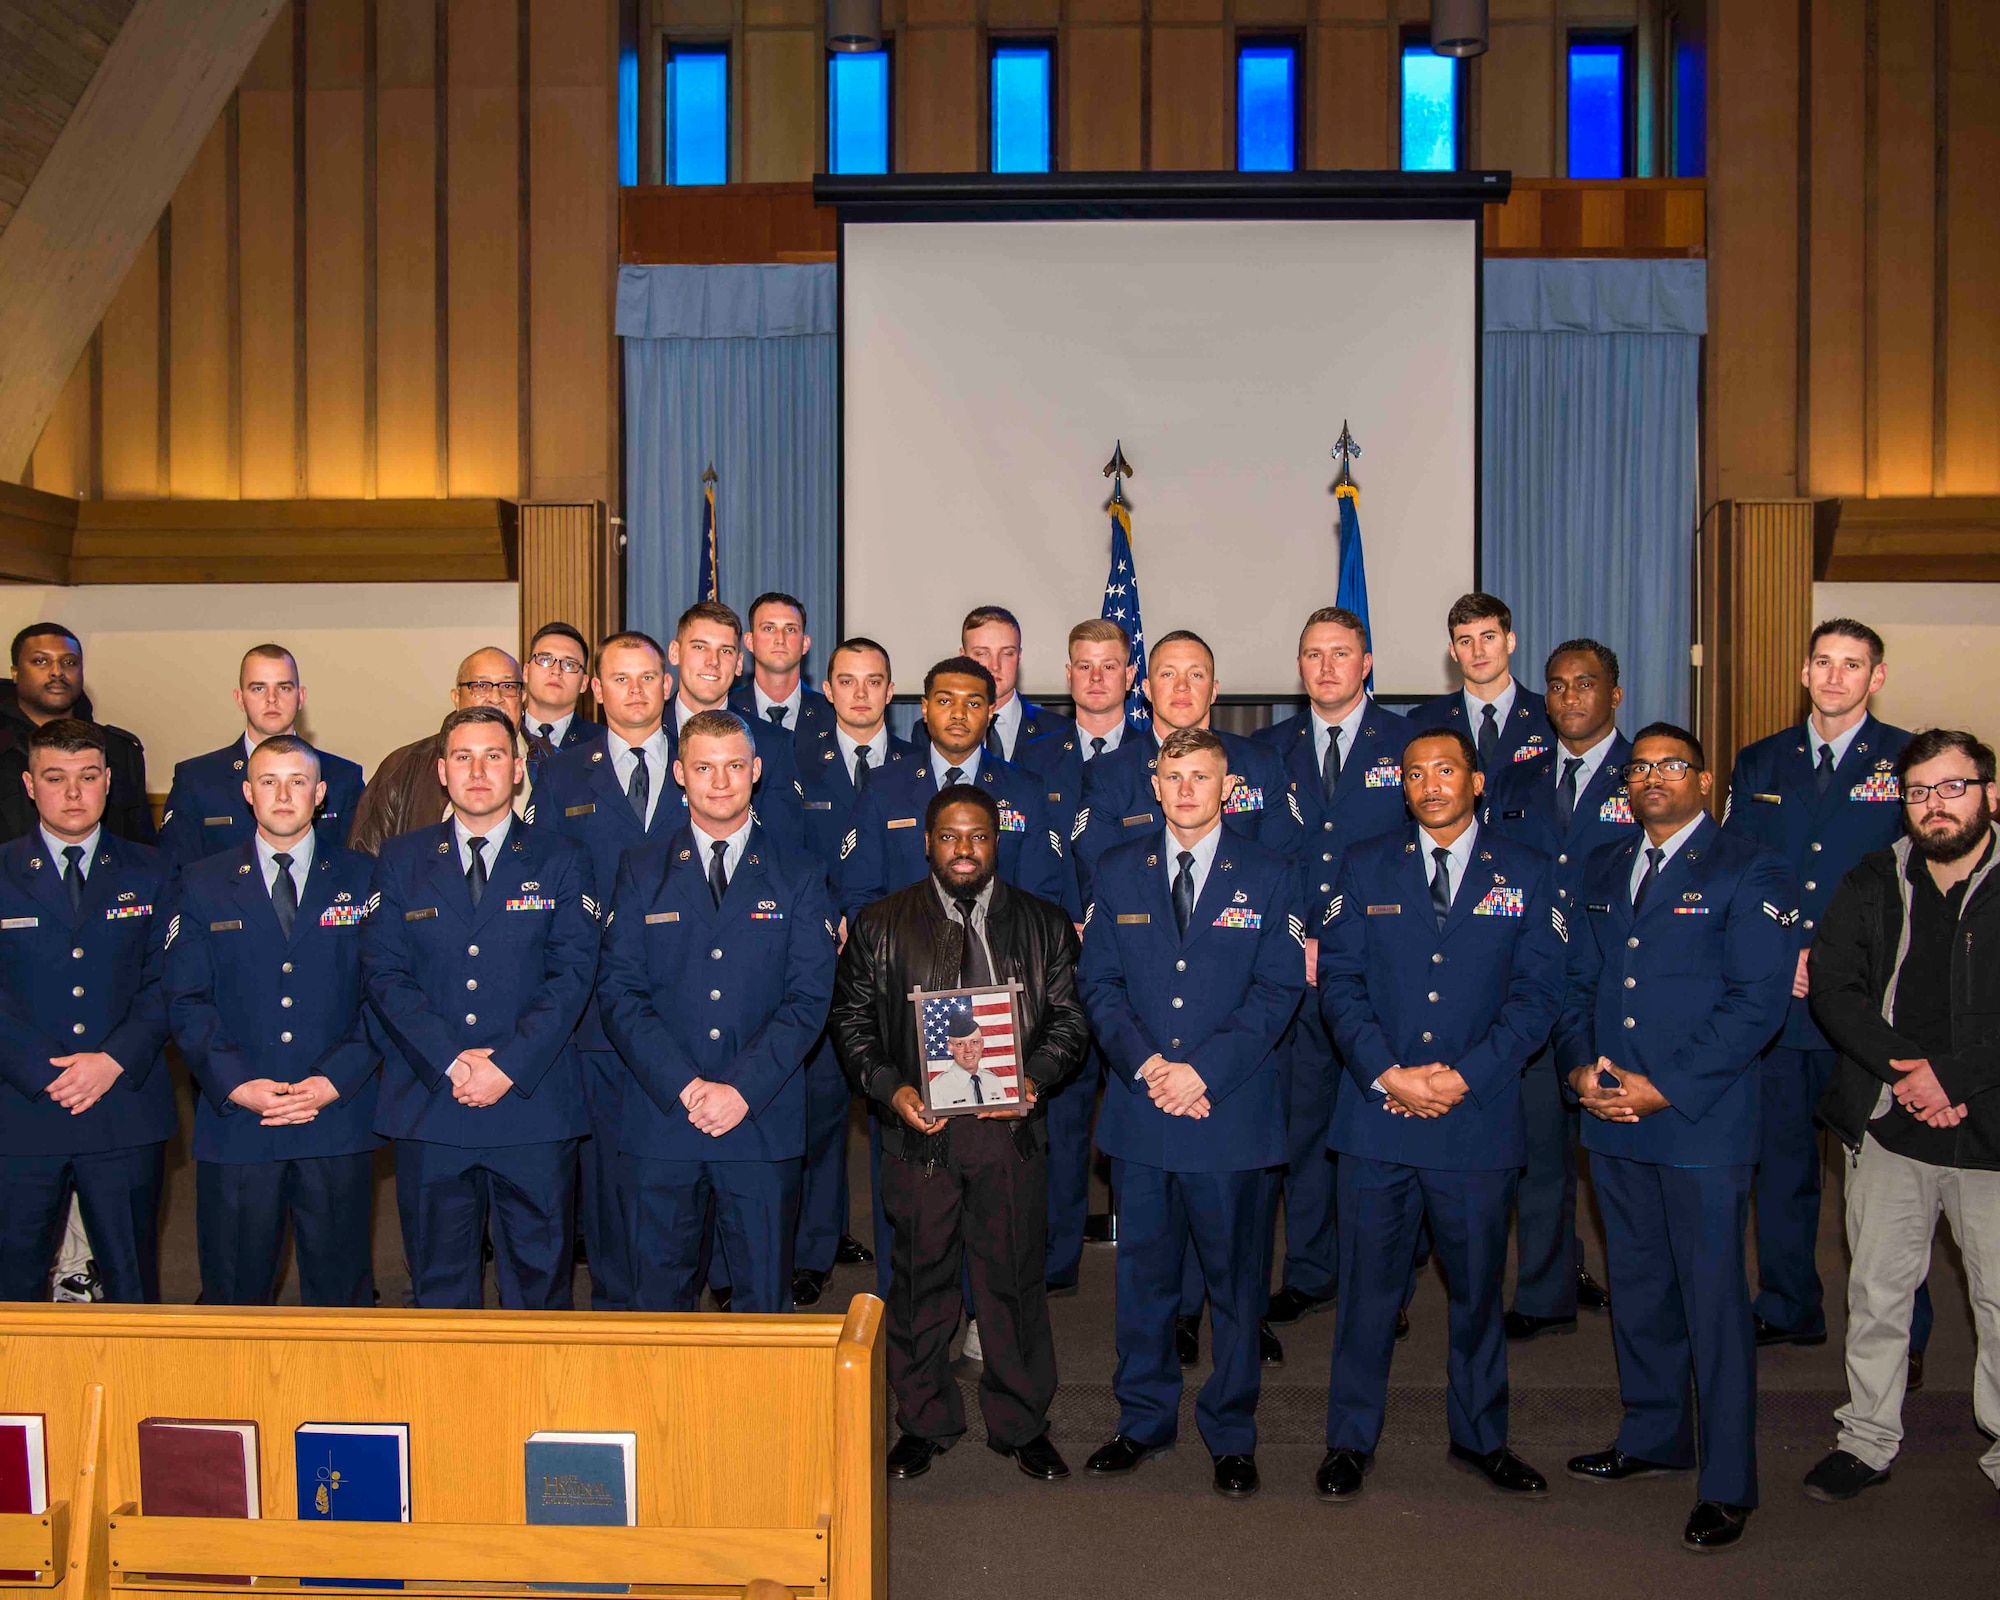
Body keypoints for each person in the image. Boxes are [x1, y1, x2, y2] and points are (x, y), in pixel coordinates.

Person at [1558, 722, 1797, 1552]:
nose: (1652, 777)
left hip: (1699, 1121)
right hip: (1613, 1120)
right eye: (1640, 767)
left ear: (1705, 781)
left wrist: (1669, 1088)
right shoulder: (1601, 866)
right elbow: (1578, 983)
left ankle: (1728, 1481)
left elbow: (1756, 1003)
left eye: (1671, 765)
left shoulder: (1750, 867)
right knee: (1640, 1287)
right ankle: (1655, 1434)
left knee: (1714, 1303)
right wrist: (1581, 1070)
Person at [1314, 728, 1564, 1501]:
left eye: (1446, 769)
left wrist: (1465, 1076)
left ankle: (1482, 1436)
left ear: (1477, 781)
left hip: (1475, 1118)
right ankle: (1349, 1440)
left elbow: (1538, 997)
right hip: (1377, 1116)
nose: (1430, 783)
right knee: (1367, 1295)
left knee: (1478, 1290)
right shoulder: (1363, 868)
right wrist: (1388, 1074)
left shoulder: (1525, 872)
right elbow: (1341, 986)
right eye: (1415, 772)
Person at [830, 783, 1089, 1483]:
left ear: (998, 840)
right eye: (949, 836)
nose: (964, 850)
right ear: (926, 842)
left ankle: (1021, 1425)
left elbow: (1070, 1021)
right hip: (920, 1136)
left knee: (1012, 1285)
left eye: (977, 836)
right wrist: (891, 1087)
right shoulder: (882, 925)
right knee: (918, 1285)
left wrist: (1034, 1078)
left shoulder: (1043, 922)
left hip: (1010, 1137)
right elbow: (851, 1025)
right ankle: (924, 1422)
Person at [1080, 727, 1305, 1501]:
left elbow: (1279, 992)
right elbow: (1099, 987)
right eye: (1172, 776)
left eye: (1200, 778)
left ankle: (1232, 1435)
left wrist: (1200, 1071)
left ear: (1227, 788)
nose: (1185, 791)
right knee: (1142, 1282)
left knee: (1235, 1287)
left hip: (1228, 1114)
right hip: (1144, 1113)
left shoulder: (1272, 874)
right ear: (1154, 783)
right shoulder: (1117, 870)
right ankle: (1142, 1420)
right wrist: (1149, 1067)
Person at [1800, 728, 2000, 1503]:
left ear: (1988, 792)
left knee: (1995, 1303)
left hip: (1991, 1128)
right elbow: (1834, 990)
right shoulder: (1872, 878)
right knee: (1879, 1294)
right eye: (1918, 792)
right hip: (1889, 1123)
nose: (1933, 806)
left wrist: (1950, 1077)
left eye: (1951, 787)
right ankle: (1867, 1439)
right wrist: (1907, 1074)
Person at [597, 710, 837, 1314]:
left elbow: (807, 1000)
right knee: (658, 1302)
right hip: (663, 1119)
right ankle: (661, 1414)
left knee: (763, 1306)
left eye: (734, 766)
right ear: (679, 773)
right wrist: (686, 1086)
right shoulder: (640, 868)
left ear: (756, 771)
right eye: (704, 767)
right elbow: (620, 992)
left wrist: (739, 1090)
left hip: (760, 1120)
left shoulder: (799, 874)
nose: (721, 781)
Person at [361, 705, 598, 1309]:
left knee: (540, 1286)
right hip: (432, 1101)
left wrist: (507, 1065)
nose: (478, 771)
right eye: (462, 757)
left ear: (518, 769)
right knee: (438, 1286)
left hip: (532, 1103)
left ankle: (537, 1406)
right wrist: (451, 1060)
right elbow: (385, 972)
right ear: (441, 771)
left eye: (494, 755)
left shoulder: (562, 857)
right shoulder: (400, 859)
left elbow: (571, 974)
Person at [1723, 620, 1916, 1356]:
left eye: (1853, 665)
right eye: (1825, 663)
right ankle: (1788, 1304)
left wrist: (1831, 956)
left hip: (1871, 1001)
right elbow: (1742, 871)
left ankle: (1903, 1331)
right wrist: (1781, 950)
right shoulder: (1761, 760)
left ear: (1877, 677)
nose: (1836, 677)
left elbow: (1912, 884)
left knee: (1892, 1180)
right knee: (1783, 1167)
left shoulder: (1906, 759)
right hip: (1782, 999)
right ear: (1804, 672)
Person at [164, 735, 381, 1306]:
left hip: (335, 1118)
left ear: (321, 794)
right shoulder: (201, 882)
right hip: (238, 1121)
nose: (284, 795)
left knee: (342, 1297)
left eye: (298, 781)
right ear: (247, 793)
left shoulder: (366, 879)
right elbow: (186, 999)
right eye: (268, 781)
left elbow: (383, 995)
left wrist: (334, 1081)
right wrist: (237, 1084)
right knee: (233, 1294)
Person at [1250, 609, 1406, 1339]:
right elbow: (1250, 862)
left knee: (1384, 1131)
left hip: (1384, 967)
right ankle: (1311, 1272)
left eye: (1340, 654)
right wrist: (1293, 941)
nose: (1326, 667)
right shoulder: (1262, 750)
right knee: (1304, 1128)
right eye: (1312, 654)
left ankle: (1385, 1285)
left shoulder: (1408, 743)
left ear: (1366, 663)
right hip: (1294, 970)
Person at [1482, 640, 1634, 1338]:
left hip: (1622, 990)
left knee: (1623, 1160)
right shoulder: (1516, 779)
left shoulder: (1649, 775)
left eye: (1586, 684)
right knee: (1542, 1152)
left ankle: (1641, 1293)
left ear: (1615, 695)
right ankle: (1545, 1294)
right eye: (1557, 686)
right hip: (1536, 984)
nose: (1571, 698)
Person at [530, 631, 683, 1311]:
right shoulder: (561, 773)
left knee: (686, 1163)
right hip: (594, 1012)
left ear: (669, 684)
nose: (635, 691)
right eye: (620, 679)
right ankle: (619, 1307)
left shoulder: (706, 762)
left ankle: (683, 1303)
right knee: (610, 1171)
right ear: (597, 689)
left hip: (693, 1005)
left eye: (648, 677)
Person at [0, 718, 173, 1302]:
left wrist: (110, 1061)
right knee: (14, 1283)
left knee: (131, 1282)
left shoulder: (155, 871)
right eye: (55, 778)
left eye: (87, 777)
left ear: (108, 782)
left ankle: (133, 1394)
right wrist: (44, 1072)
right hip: (22, 1110)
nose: (73, 794)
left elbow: (169, 981)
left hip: (123, 1105)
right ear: (29, 784)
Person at [1014, 618, 1146, 1295]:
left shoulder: (1162, 757)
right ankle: (1057, 1260)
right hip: (1055, 970)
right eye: (1083, 665)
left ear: (1131, 674)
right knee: (1060, 1119)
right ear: (1066, 675)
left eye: (1110, 665)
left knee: (1139, 1109)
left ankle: (1147, 1261)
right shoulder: (1032, 760)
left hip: (1139, 974)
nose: (1096, 677)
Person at [789, 637, 905, 1305]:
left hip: (905, 965)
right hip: (824, 955)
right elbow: (787, 856)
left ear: (891, 691)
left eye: (875, 681)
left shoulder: (921, 768)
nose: (861, 693)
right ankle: (816, 1245)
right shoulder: (797, 764)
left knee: (899, 1111)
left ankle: (904, 1256)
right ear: (825, 690)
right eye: (847, 681)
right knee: (824, 1110)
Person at [839, 656, 1073, 921]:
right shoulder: (882, 787)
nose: (959, 714)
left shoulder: (1025, 790)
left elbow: (1040, 898)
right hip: (903, 953)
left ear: (990, 712)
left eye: (973, 703)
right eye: (945, 701)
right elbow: (861, 894)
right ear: (925, 709)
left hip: (998, 954)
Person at [157, 643, 366, 870]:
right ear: (239, 698)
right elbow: (175, 871)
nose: (271, 699)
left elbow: (355, 870)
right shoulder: (197, 779)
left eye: (284, 688)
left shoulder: (343, 778)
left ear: (301, 696)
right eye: (258, 688)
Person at [348, 647, 528, 855]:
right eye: (480, 686)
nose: (496, 698)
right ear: (456, 697)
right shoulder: (403, 767)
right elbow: (364, 864)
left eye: (508, 686)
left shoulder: (551, 765)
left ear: (522, 695)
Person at [0, 624, 154, 845]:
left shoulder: (118, 750)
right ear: (15, 672)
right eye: (40, 661)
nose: (56, 671)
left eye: (69, 662)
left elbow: (141, 846)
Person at [667, 601, 805, 848]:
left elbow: (784, 849)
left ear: (740, 663)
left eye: (726, 651)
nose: (713, 661)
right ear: (675, 653)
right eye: (700, 647)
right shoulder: (648, 735)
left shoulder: (773, 744)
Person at [1405, 593, 1556, 773]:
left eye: (1488, 637)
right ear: (1453, 652)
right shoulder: (1424, 721)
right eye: (1466, 641)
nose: (1478, 652)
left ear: (1510, 642)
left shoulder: (1550, 716)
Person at [962, 605, 1073, 762]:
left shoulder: (1060, 731)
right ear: (963, 657)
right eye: (982, 653)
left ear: (1019, 656)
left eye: (1007, 653)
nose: (995, 665)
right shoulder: (933, 730)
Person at [728, 592, 836, 747]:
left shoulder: (833, 714)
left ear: (805, 644)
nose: (780, 639)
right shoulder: (727, 709)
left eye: (790, 629)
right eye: (769, 628)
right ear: (749, 641)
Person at [521, 622, 599, 780]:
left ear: (584, 683)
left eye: (569, 665)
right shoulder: (505, 736)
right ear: (526, 672)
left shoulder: (602, 742)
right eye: (544, 660)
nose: (556, 671)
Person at [928, 1012, 1014, 1110]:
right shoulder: (936, 1088)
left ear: (982, 1045)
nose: (968, 1050)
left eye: (974, 1042)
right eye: (960, 1044)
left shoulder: (993, 1081)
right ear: (950, 1048)